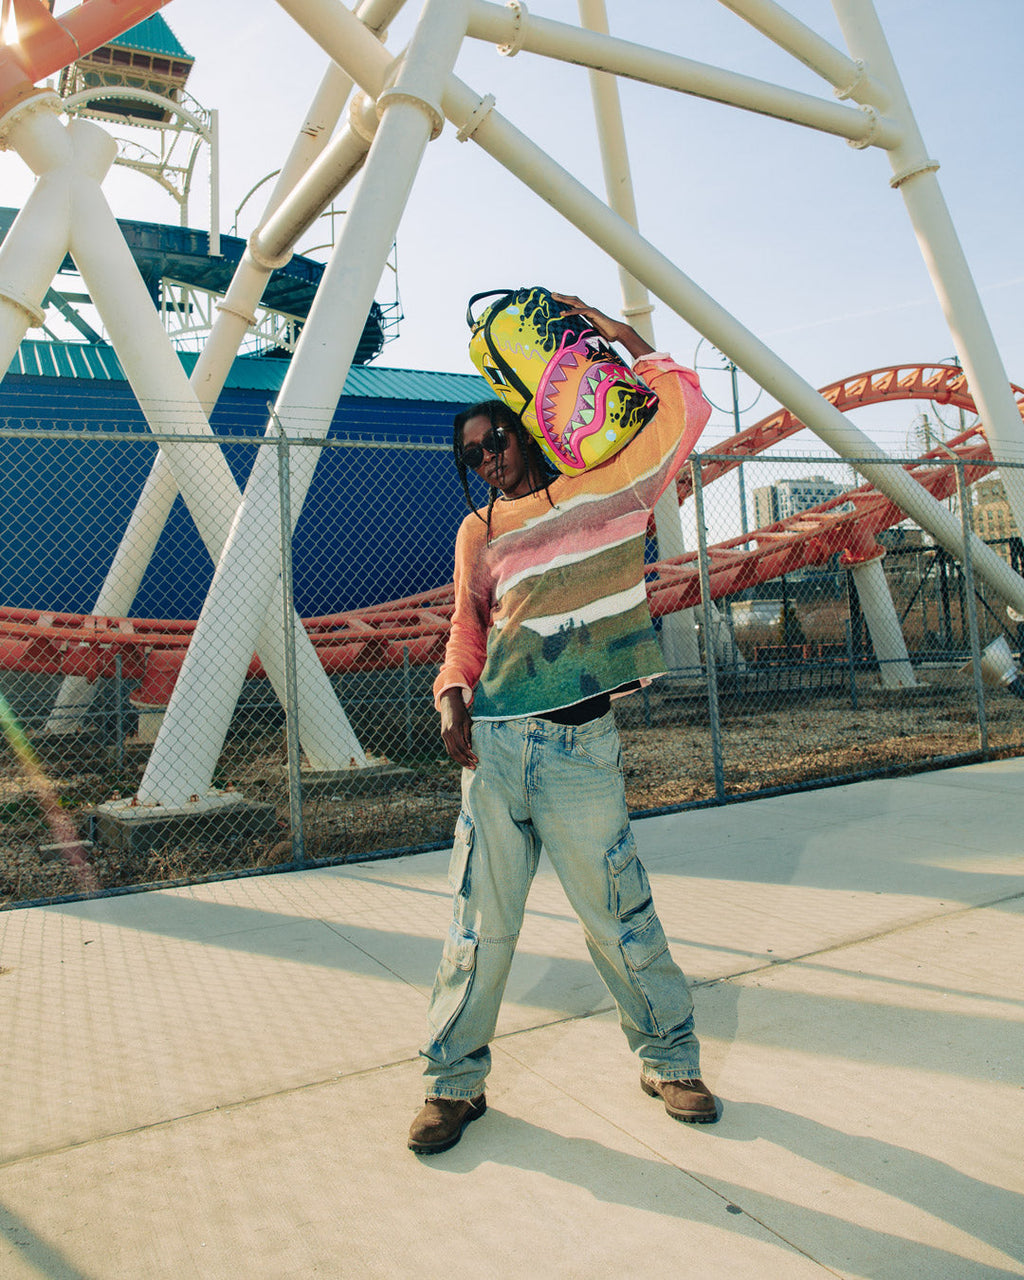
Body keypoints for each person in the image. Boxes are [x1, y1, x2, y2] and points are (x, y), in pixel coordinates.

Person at [408, 294, 715, 1155]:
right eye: (472, 456)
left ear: (528, 425)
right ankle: (450, 1085)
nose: (488, 460)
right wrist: (451, 694)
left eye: (496, 440)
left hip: (582, 747)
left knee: (620, 912)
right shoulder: (480, 531)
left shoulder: (612, 486)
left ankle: (671, 1061)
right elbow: (468, 631)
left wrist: (615, 334)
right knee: (477, 928)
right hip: (496, 750)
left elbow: (687, 404)